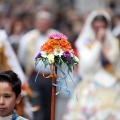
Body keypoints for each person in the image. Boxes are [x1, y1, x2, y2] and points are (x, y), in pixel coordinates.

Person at [63, 9, 120, 120]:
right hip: (91, 83)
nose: (100, 30)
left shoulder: (112, 41)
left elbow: (114, 60)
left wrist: (105, 45)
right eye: (97, 28)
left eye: (103, 27)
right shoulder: (85, 41)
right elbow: (87, 63)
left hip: (112, 84)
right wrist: (98, 43)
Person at [18, 7, 58, 120]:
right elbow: (22, 57)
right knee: (36, 107)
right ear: (36, 22)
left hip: (51, 78)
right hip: (34, 76)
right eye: (40, 22)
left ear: (49, 23)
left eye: (45, 22)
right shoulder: (27, 38)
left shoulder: (57, 37)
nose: (42, 25)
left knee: (49, 108)